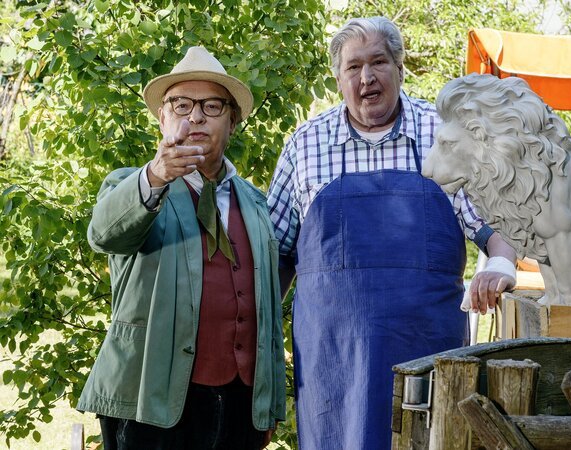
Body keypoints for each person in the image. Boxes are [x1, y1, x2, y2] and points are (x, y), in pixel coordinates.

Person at [267, 17, 517, 449]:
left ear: (400, 68)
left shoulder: (444, 134)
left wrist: (499, 264)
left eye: (379, 62)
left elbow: (500, 226)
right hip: (332, 363)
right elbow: (277, 258)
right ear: (338, 78)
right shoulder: (304, 145)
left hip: (429, 354)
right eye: (353, 67)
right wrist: (258, 340)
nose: (367, 78)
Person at [77, 46, 285, 450]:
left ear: (233, 120)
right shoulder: (133, 186)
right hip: (149, 402)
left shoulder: (256, 204)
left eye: (211, 106)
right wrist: (155, 176)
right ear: (162, 118)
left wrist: (268, 403)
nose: (195, 117)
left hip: (240, 403)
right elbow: (103, 235)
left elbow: (268, 312)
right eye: (181, 104)